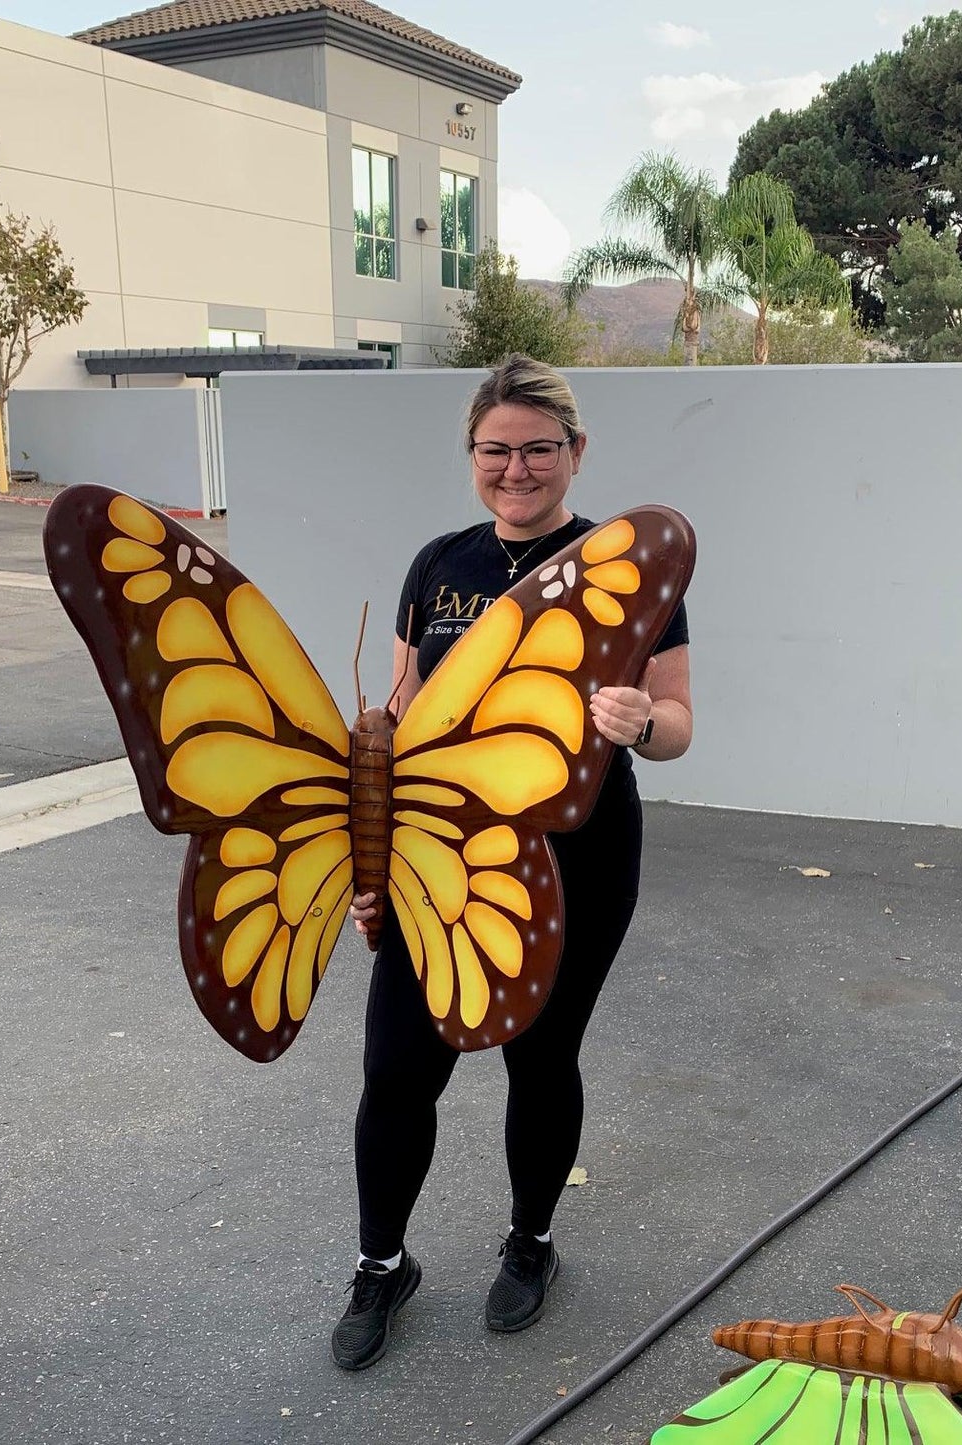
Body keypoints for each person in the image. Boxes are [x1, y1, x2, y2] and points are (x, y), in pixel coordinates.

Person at [330, 354, 693, 1371]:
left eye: (539, 448)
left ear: (575, 454)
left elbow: (677, 723)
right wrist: (371, 856)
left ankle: (531, 1243)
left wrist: (637, 720)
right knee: (398, 1063)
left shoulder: (624, 561)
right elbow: (398, 719)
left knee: (540, 1054)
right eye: (497, 449)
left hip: (577, 853)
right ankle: (379, 1262)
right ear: (472, 457)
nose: (517, 468)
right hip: (435, 854)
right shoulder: (437, 563)